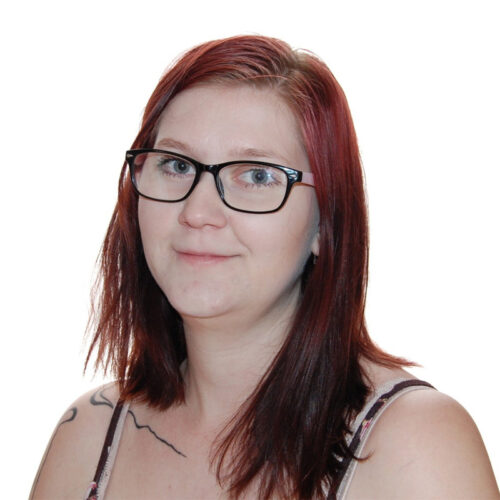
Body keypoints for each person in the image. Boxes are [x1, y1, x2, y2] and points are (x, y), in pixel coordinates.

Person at [30, 35, 498, 499]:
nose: (198, 212)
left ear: (325, 222)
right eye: (176, 165)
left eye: (257, 175)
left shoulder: (415, 445)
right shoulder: (88, 436)